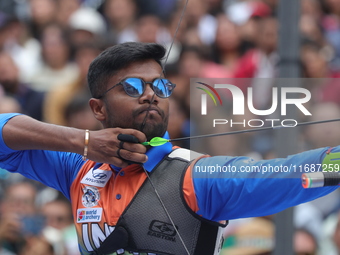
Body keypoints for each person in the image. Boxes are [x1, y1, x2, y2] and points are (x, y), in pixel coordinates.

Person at [0, 42, 338, 255]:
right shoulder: (77, 167)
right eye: (132, 86)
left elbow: (294, 172)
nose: (150, 94)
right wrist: (83, 141)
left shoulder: (197, 176)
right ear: (98, 109)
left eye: (160, 85)